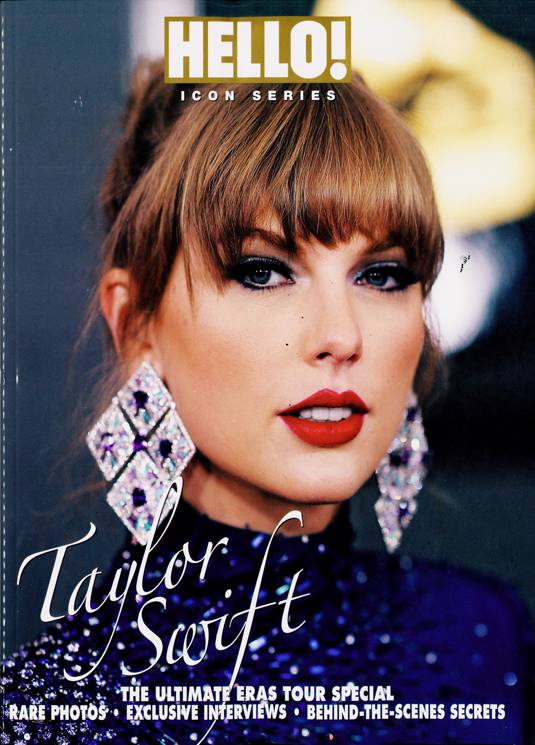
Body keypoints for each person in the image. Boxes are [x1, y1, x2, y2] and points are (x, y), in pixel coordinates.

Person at [2, 60, 533, 745]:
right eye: (262, 272)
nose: (340, 336)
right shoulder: (51, 715)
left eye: (381, 275)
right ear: (136, 327)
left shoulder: (483, 637)